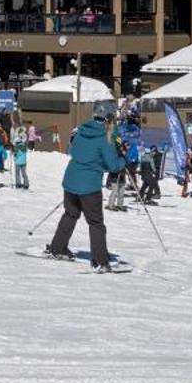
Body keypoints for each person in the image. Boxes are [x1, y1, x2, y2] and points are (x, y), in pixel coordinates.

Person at [44, 114, 127, 269]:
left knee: (70, 214)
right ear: (108, 123)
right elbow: (113, 166)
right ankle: (100, 261)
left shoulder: (81, 131)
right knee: (96, 223)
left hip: (70, 181)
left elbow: (74, 151)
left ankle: (57, 248)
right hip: (89, 186)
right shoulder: (104, 139)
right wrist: (122, 159)